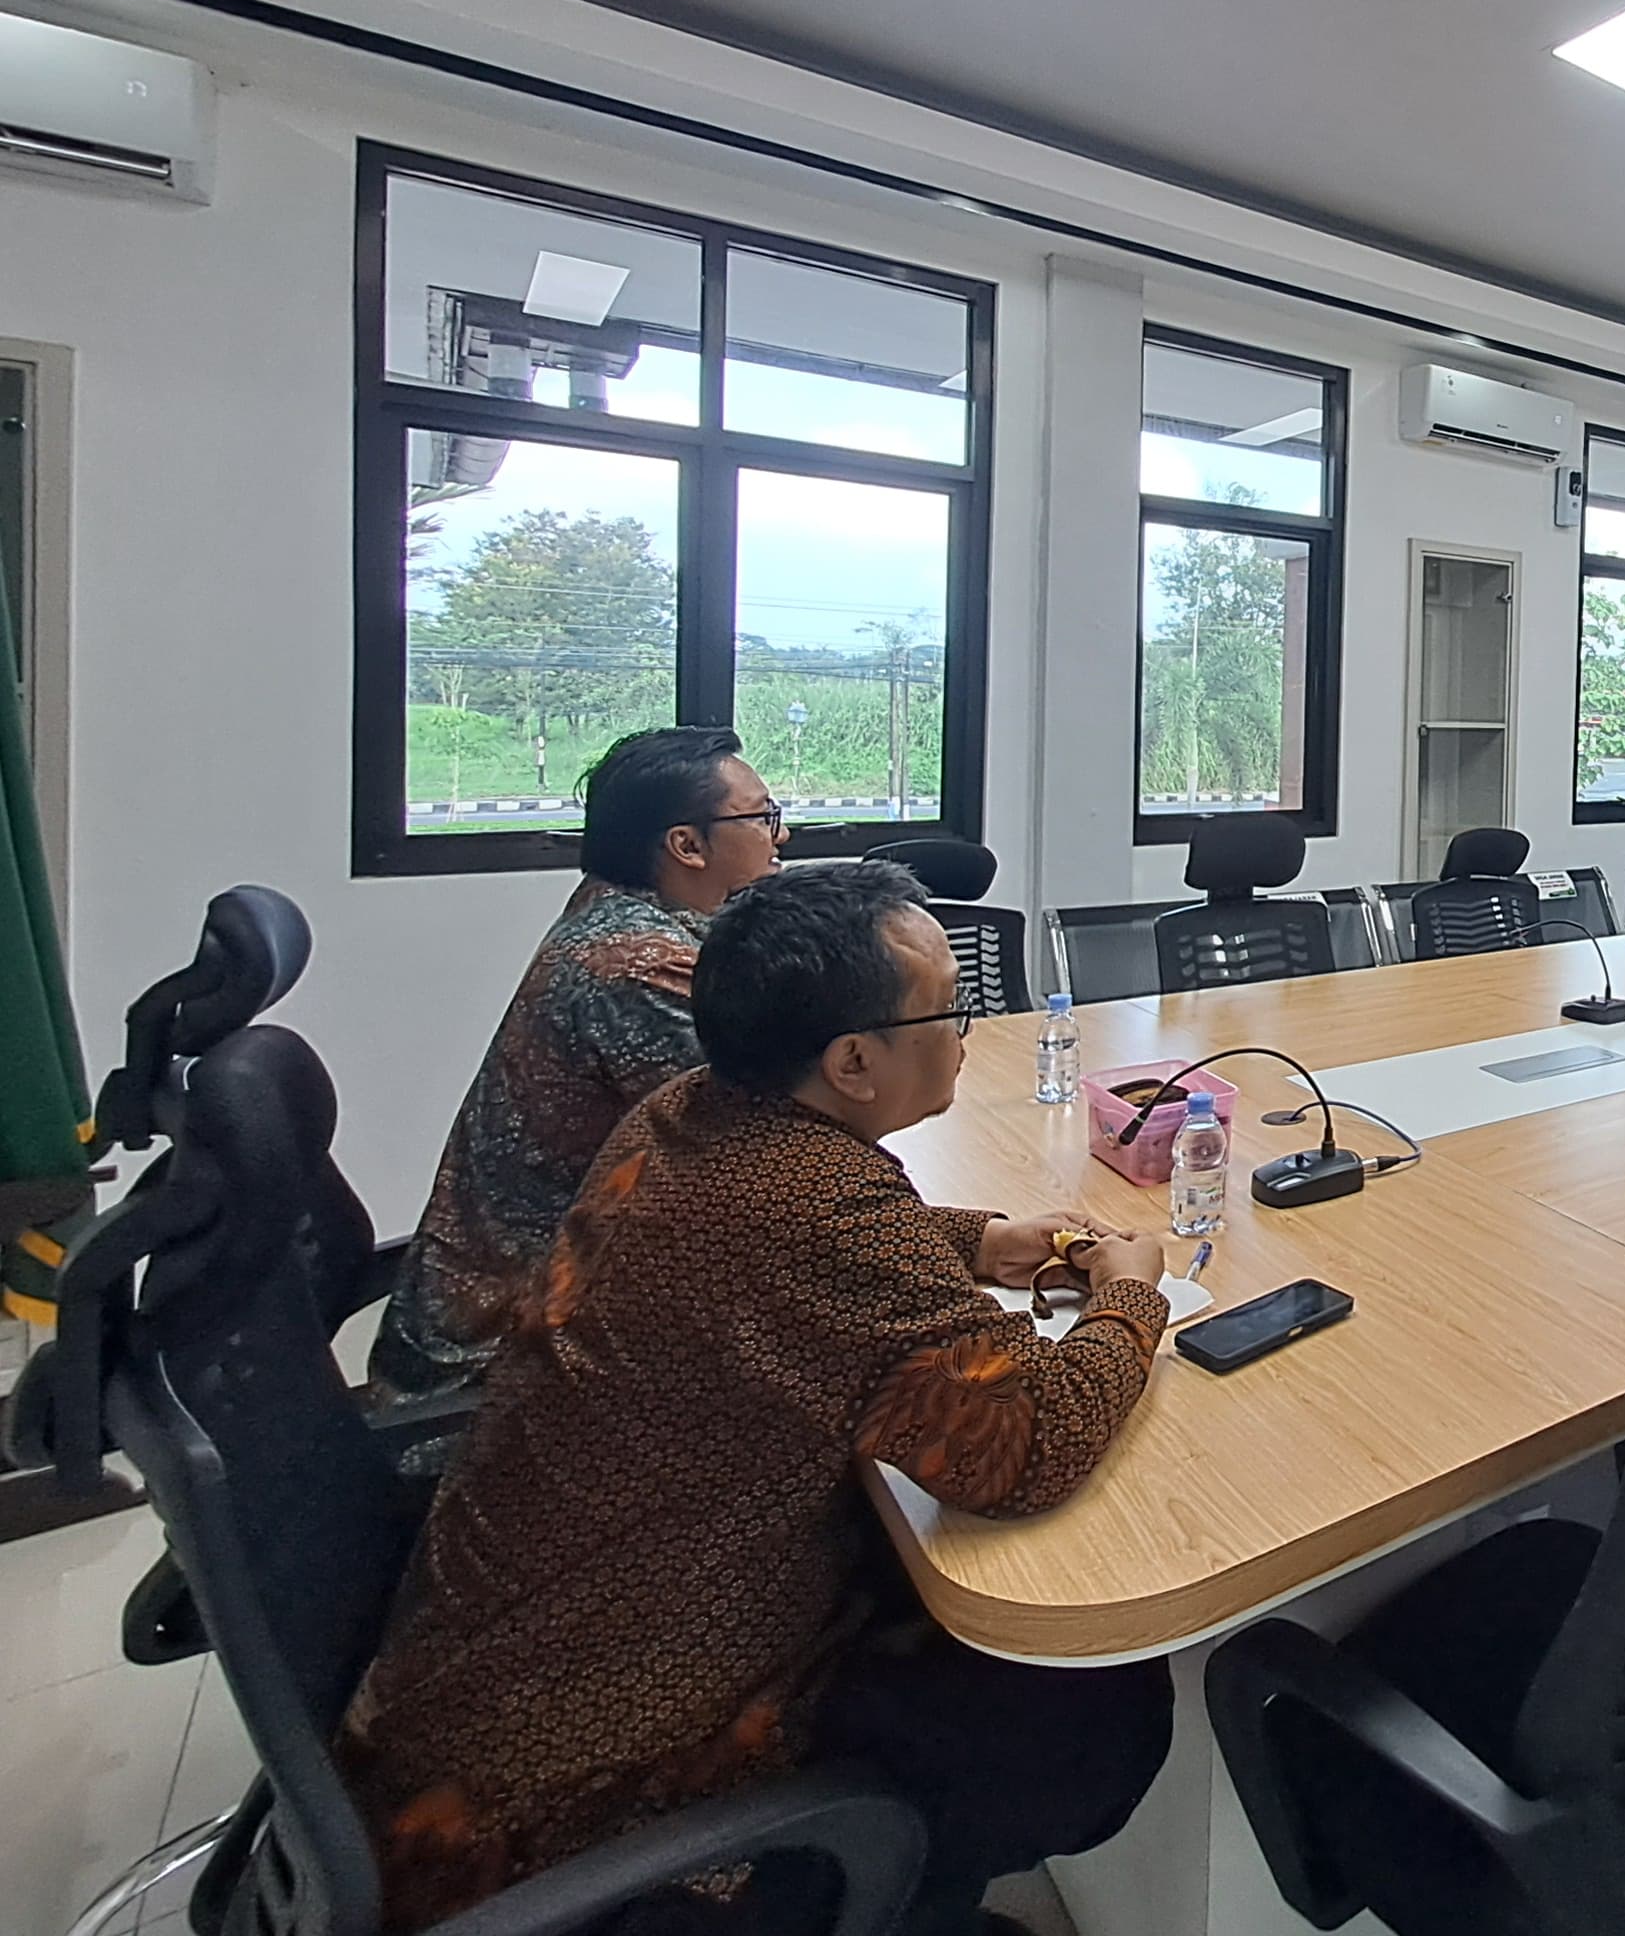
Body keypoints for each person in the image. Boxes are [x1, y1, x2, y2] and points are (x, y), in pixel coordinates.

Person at [340, 858, 1174, 1935]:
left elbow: (768, 1243)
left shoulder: (684, 1111)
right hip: (576, 1794)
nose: (966, 1031)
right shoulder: (820, 1206)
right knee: (1094, 1717)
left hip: (501, 1670)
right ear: (853, 1062)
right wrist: (1129, 1299)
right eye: (947, 1010)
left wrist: (974, 1238)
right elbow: (1024, 1448)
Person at [369, 727, 788, 1402]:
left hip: (533, 1297)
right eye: (763, 817)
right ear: (687, 845)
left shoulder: (616, 908)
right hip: (507, 1359)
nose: (781, 835)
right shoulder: (636, 969)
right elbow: (777, 1146)